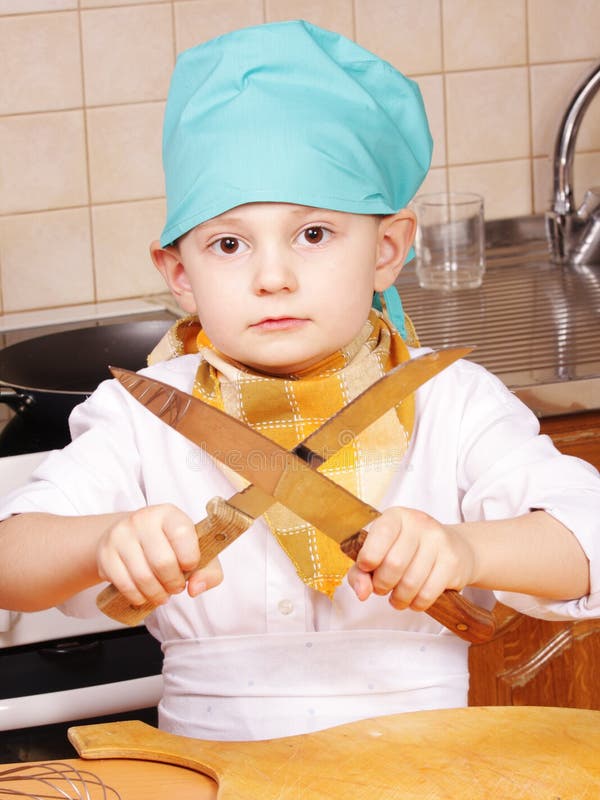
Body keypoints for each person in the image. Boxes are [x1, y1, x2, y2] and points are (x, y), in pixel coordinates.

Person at [0, 20, 599, 741]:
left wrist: (467, 549)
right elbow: (12, 559)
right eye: (229, 244)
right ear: (180, 274)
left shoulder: (450, 401)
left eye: (313, 234)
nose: (273, 277)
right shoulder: (144, 415)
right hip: (214, 784)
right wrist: (102, 544)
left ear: (386, 251)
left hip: (420, 785)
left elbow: (586, 540)